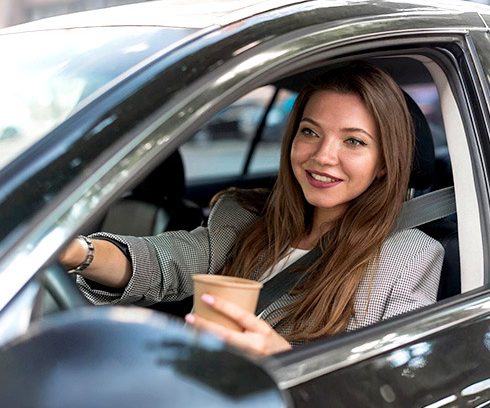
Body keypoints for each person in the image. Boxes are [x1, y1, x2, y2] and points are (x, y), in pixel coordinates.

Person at [60, 62, 444, 356]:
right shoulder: (243, 216)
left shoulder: (409, 257)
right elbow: (162, 262)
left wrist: (282, 359)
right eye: (310, 132)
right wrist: (77, 252)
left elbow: (390, 389)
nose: (323, 156)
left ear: (384, 163)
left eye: (354, 142)